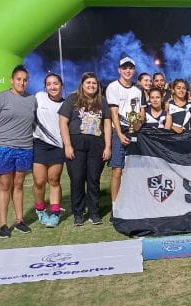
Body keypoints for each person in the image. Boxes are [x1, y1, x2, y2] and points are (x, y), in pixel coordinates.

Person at [0, 65, 36, 238]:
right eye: (18, 79)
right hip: (3, 148)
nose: (22, 82)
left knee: (19, 185)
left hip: (25, 148)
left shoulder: (32, 100)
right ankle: (3, 224)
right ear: (11, 80)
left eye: (25, 80)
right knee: (5, 185)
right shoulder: (2, 98)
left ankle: (20, 221)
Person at [59, 72, 112, 226]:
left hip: (97, 144)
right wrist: (68, 145)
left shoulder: (102, 101)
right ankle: (78, 213)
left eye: (94, 83)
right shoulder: (72, 99)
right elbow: (63, 122)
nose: (91, 85)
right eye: (88, 83)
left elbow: (107, 124)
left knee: (93, 180)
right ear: (82, 85)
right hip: (76, 144)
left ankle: (94, 213)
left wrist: (108, 146)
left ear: (98, 86)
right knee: (77, 179)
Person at [106, 57, 146, 222]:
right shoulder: (113, 87)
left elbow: (142, 113)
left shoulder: (138, 90)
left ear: (134, 70)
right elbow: (114, 113)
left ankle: (133, 204)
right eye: (124, 68)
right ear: (119, 70)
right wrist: (120, 133)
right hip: (119, 131)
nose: (127, 71)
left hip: (135, 131)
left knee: (135, 170)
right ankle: (115, 207)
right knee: (117, 170)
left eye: (130, 68)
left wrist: (137, 125)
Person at [32, 73, 66, 228]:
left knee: (54, 180)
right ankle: (40, 209)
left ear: (61, 85)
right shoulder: (39, 97)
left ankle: (55, 213)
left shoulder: (66, 105)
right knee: (39, 182)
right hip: (39, 145)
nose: (52, 87)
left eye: (55, 83)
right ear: (45, 87)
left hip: (57, 147)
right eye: (49, 84)